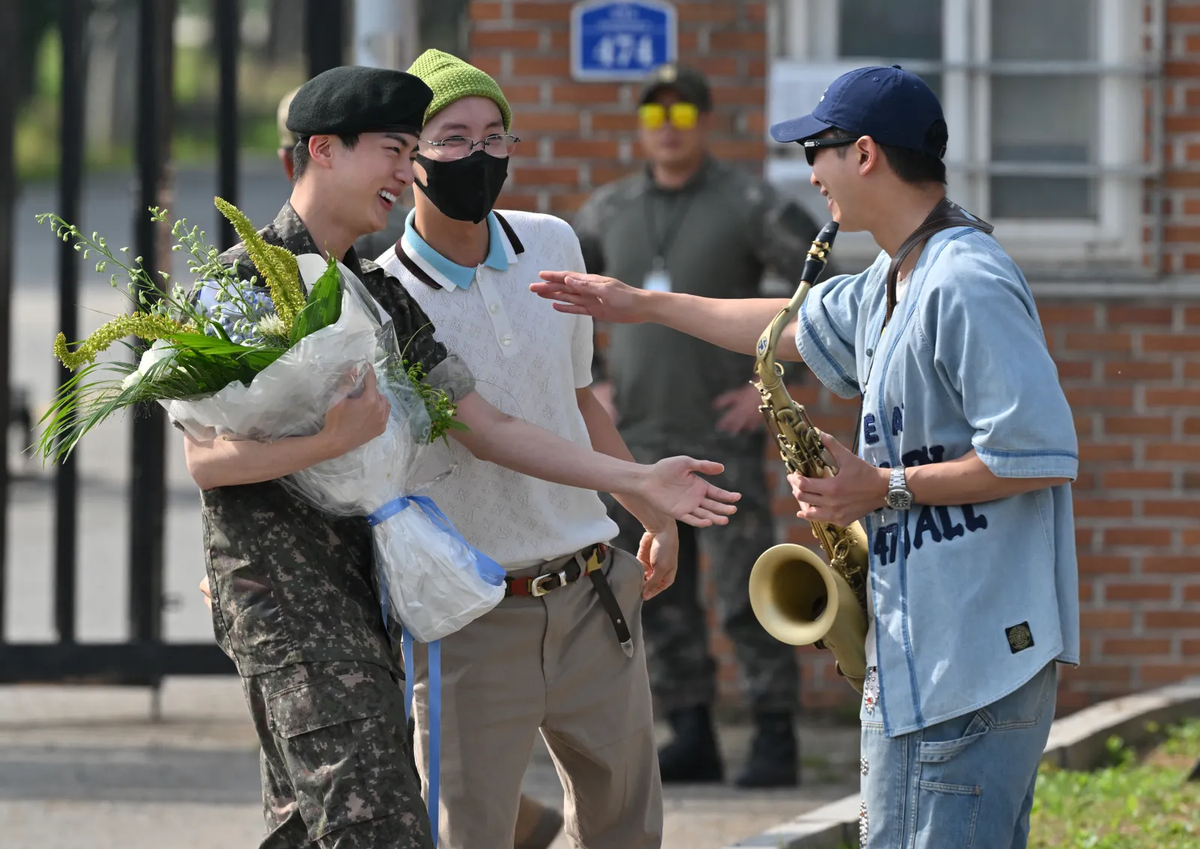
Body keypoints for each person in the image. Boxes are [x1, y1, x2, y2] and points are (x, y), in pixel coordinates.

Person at [188, 64, 739, 849]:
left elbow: (488, 424)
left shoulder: (379, 298)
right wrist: (329, 442)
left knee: (306, 826)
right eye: (396, 148)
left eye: (414, 145)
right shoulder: (247, 282)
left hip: (371, 600)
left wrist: (636, 485)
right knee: (375, 824)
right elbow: (205, 460)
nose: (403, 167)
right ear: (323, 150)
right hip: (300, 608)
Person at [531, 64, 1080, 849]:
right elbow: (780, 325)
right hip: (923, 652)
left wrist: (880, 486)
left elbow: (1039, 457)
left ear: (862, 154)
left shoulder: (966, 279)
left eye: (818, 151)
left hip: (975, 661)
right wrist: (640, 304)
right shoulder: (894, 274)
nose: (812, 172)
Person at [372, 49, 679, 849]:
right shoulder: (380, 297)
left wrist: (649, 507)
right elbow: (489, 436)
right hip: (471, 618)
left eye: (494, 135)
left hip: (592, 594)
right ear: (409, 160)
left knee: (628, 831)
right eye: (451, 138)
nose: (478, 155)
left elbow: (579, 402)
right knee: (468, 834)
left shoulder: (553, 243)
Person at [571, 62, 824, 788]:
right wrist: (595, 382)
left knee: (748, 587)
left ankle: (775, 733)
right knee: (659, 588)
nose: (668, 131)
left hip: (723, 441)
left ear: (705, 122)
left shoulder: (747, 202)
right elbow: (563, 299)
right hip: (638, 441)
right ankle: (692, 732)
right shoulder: (609, 210)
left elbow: (821, 293)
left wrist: (772, 383)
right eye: (656, 118)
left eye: (681, 116)